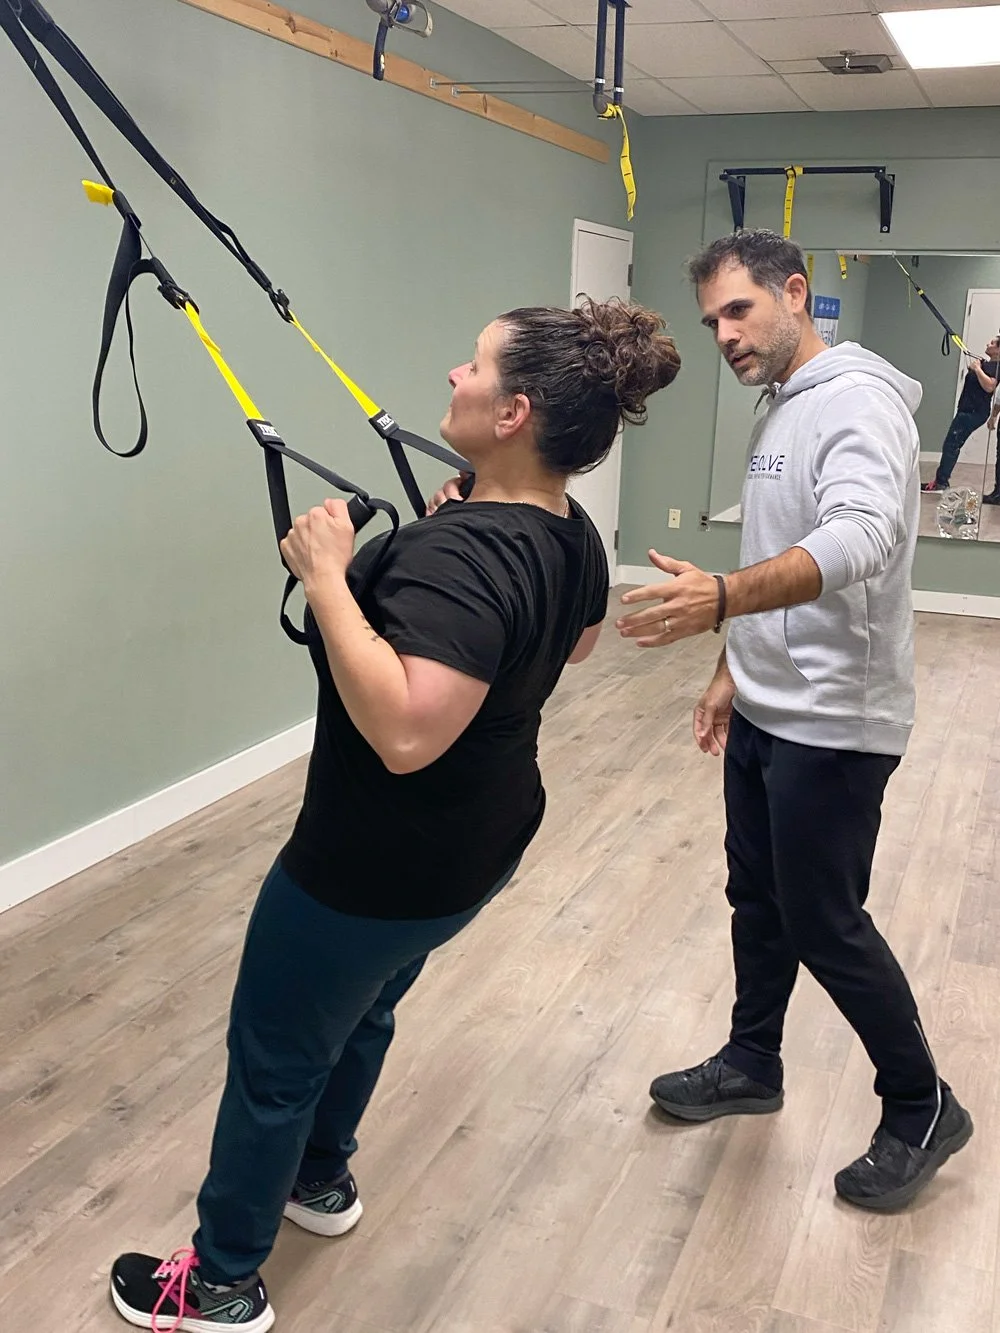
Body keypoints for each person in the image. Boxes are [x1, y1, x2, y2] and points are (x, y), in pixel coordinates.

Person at [109, 298, 681, 1332]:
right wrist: (458, 527)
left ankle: (223, 1280)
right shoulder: (564, 525)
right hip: (474, 851)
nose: (449, 379)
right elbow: (581, 641)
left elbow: (409, 732)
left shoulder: (459, 558)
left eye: (470, 368)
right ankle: (319, 1178)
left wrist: (329, 576)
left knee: (276, 1059)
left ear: (511, 413)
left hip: (369, 868)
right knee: (363, 1008)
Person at [616, 229, 972, 1212]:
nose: (724, 334)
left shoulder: (855, 404)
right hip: (773, 702)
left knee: (825, 920)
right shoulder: (779, 406)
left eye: (739, 310)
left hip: (837, 718)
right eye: (711, 320)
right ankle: (751, 1059)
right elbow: (786, 540)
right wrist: (735, 666)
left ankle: (919, 1104)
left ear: (795, 295)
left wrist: (723, 597)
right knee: (758, 898)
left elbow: (860, 537)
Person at [920, 335, 1000, 493]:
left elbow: (990, 386)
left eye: (992, 343)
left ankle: (941, 483)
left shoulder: (997, 367)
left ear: (998, 349)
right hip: (967, 410)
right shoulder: (987, 364)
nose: (987, 343)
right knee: (951, 445)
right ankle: (941, 481)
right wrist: (978, 368)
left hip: (974, 413)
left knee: (951, 445)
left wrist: (977, 369)